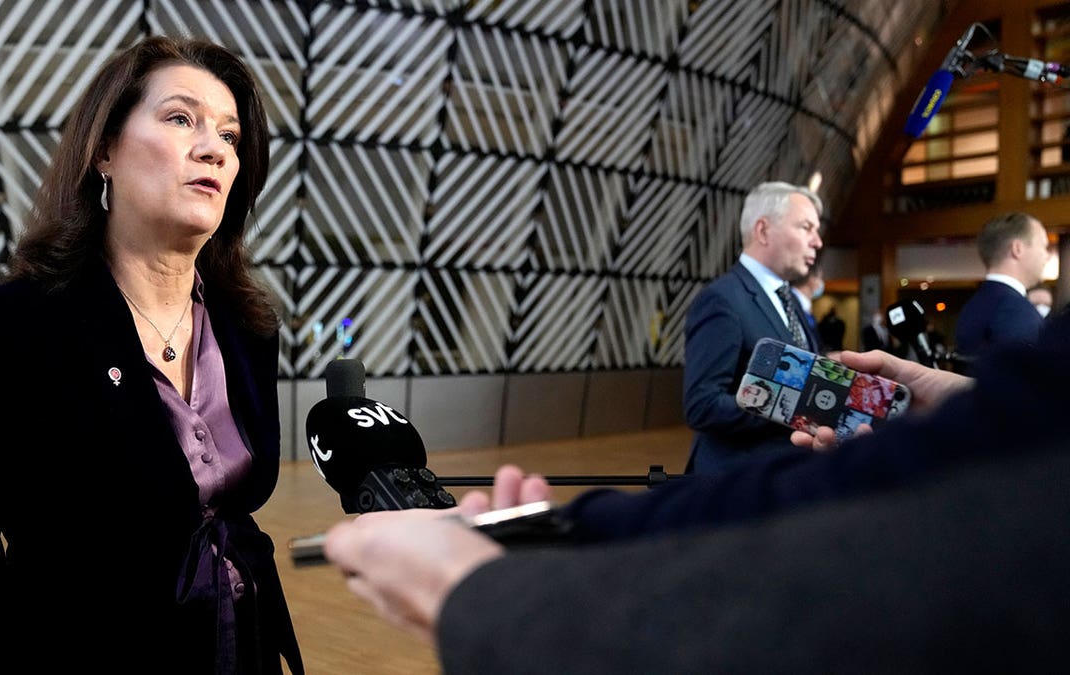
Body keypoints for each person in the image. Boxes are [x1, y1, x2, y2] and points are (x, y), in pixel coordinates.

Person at [321, 309, 1070, 672]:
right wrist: (968, 407)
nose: (816, 236)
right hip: (732, 494)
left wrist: (472, 591)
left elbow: (820, 612)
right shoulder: (726, 301)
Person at [0, 37, 303, 674]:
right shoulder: (4, 330)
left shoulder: (248, 328)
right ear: (104, 151)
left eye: (229, 137)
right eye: (181, 119)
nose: (214, 150)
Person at [682, 181, 823, 474]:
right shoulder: (721, 300)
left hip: (783, 479)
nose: (817, 241)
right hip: (737, 486)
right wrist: (794, 407)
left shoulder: (789, 300)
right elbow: (702, 404)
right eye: (806, 227)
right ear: (763, 231)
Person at [955, 212, 1050, 361]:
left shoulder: (974, 303)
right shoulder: (1016, 312)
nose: (1047, 255)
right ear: (1017, 249)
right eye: (1044, 246)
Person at [790, 264, 824, 329]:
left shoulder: (805, 307)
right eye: (820, 278)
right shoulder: (789, 304)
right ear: (812, 279)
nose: (821, 283)